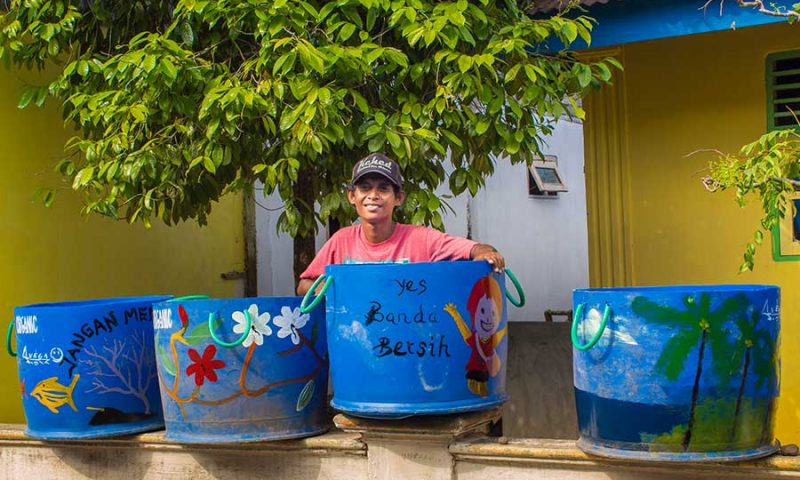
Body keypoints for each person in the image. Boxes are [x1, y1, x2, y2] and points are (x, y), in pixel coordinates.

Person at [296, 153, 505, 295]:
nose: (373, 196)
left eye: (383, 189)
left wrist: (485, 253)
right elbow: (303, 286)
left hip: (408, 349)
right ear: (352, 196)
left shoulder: (421, 239)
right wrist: (322, 287)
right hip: (355, 349)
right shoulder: (341, 240)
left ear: (399, 198)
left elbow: (475, 249)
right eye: (365, 188)